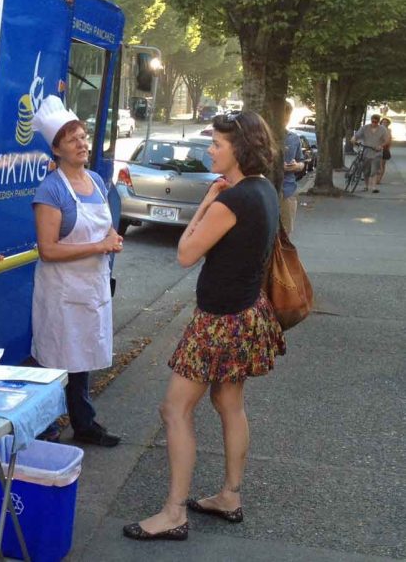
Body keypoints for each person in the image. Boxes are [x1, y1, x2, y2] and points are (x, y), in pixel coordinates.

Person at [123, 111, 285, 542]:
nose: (209, 150)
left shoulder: (231, 201)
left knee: (174, 410)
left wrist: (207, 202)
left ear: (240, 149)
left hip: (217, 322)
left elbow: (185, 253)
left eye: (216, 144)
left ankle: (174, 511)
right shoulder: (264, 190)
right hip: (247, 314)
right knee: (229, 404)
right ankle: (230, 495)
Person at [30, 95, 124, 447]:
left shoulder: (97, 182)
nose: (83, 144)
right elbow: (49, 249)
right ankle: (43, 425)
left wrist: (112, 238)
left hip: (91, 287)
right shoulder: (50, 191)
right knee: (53, 359)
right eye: (73, 140)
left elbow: (106, 229)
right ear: (57, 150)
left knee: (81, 356)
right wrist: (100, 247)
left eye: (83, 136)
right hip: (61, 290)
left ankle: (84, 423)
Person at [352, 114, 390, 194]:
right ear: (371, 120)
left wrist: (381, 146)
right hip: (366, 151)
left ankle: (373, 187)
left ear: (378, 122)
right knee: (366, 171)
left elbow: (386, 140)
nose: (374, 123)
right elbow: (357, 135)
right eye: (373, 121)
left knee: (374, 170)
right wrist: (354, 139)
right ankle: (366, 186)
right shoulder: (365, 128)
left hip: (377, 152)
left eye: (376, 122)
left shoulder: (382, 129)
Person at [281, 130, 305, 235]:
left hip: (287, 189)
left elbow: (301, 161)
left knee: (286, 231)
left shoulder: (294, 138)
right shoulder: (262, 135)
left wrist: (297, 166)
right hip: (266, 189)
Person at [377, 117, 392, 185]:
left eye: (386, 122)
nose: (384, 123)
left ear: (388, 124)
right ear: (381, 123)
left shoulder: (388, 130)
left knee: (382, 165)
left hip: (384, 149)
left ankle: (379, 179)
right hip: (376, 148)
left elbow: (388, 140)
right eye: (383, 122)